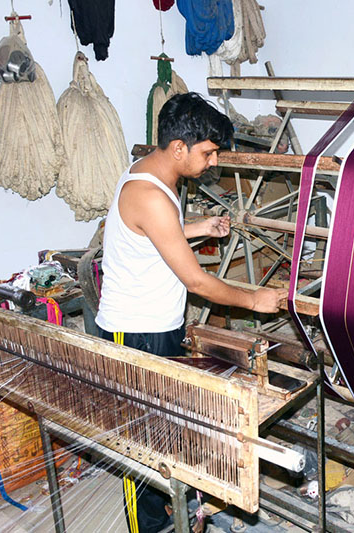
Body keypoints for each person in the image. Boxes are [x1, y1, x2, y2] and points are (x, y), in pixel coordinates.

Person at [94, 92, 287, 533]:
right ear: (178, 147)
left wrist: (198, 227)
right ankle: (150, 527)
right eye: (208, 152)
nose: (213, 162)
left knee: (169, 430)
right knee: (139, 443)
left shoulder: (154, 176)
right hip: (133, 333)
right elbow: (198, 282)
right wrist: (256, 299)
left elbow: (155, 234)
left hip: (157, 328)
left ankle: (180, 512)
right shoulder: (150, 193)